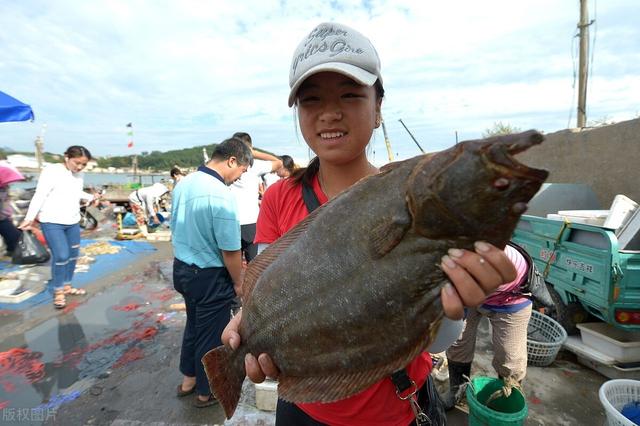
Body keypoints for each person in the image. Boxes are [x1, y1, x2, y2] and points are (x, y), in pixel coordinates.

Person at [221, 22, 517, 425]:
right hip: (304, 410)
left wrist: (458, 304)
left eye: (350, 95)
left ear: (377, 108)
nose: (329, 112)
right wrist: (247, 328)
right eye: (311, 100)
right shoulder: (278, 197)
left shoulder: (413, 197)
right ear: (298, 114)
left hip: (394, 410)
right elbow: (264, 293)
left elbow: (437, 341)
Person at [170, 137, 252, 408]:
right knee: (211, 333)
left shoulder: (184, 183)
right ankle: (206, 392)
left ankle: (189, 380)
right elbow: (230, 251)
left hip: (182, 269)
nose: (239, 177)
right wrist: (239, 282)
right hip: (208, 275)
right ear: (231, 161)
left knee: (193, 325)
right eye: (241, 170)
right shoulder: (220, 193)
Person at [443, 243, 532, 410]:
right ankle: (457, 392)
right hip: (471, 294)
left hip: (511, 299)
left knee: (510, 357)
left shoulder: (490, 258)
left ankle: (507, 400)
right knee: (457, 341)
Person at [19, 146, 94, 309]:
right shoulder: (51, 171)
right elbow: (40, 195)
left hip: (72, 221)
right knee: (61, 256)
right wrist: (29, 218)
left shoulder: (79, 174)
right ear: (66, 157)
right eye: (77, 163)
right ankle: (58, 290)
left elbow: (75, 192)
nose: (80, 167)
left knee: (73, 255)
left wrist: (91, 197)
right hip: (52, 221)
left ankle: (67, 285)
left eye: (84, 165)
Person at [229, 132, 282, 263]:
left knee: (230, 267)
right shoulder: (254, 165)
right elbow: (278, 162)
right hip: (251, 222)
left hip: (229, 221)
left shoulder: (229, 164)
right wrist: (254, 153)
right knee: (254, 266)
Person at [0, 161, 25, 255]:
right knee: (14, 236)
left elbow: (6, 202)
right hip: (2, 218)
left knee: (14, 237)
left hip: (3, 217)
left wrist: (9, 214)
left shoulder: (4, 187)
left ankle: (11, 252)